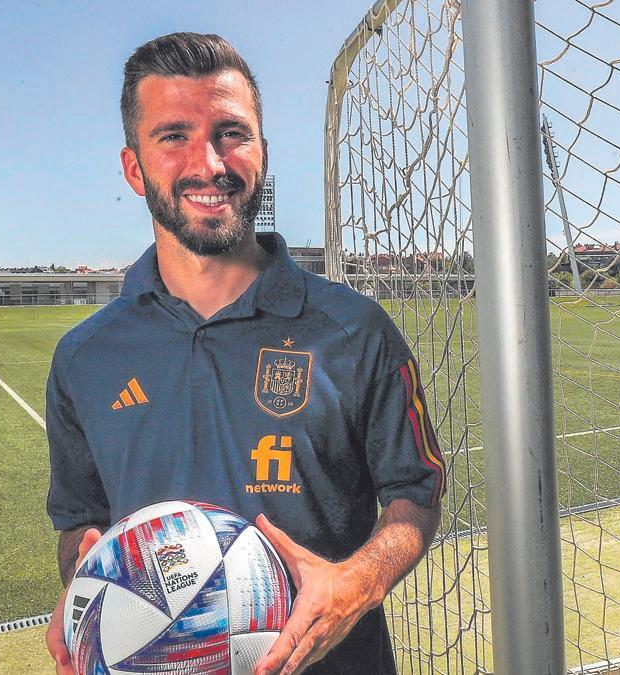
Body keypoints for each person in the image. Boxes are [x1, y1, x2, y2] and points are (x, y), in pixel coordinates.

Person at [43, 32, 444, 675]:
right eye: (174, 136)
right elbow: (79, 522)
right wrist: (84, 592)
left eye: (232, 132)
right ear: (132, 166)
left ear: (261, 151)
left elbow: (415, 496)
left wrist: (358, 583)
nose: (211, 163)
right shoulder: (83, 357)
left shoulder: (355, 330)